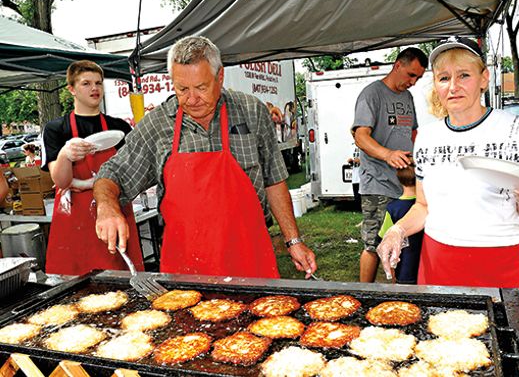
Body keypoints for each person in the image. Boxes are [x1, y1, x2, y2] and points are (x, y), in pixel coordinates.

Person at [93, 36, 317, 279]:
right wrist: (107, 206)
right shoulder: (157, 125)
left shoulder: (252, 112)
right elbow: (111, 174)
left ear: (219, 77)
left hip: (249, 257)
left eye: (201, 87)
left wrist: (293, 240)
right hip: (186, 266)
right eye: (182, 89)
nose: (192, 99)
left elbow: (274, 179)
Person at [377, 36, 519, 334]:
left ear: (484, 78)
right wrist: (396, 231)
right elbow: (424, 206)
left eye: (464, 75)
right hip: (439, 261)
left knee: (509, 352)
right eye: (444, 78)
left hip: (500, 261)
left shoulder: (517, 130)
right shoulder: (427, 137)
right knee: (443, 352)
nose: (453, 86)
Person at [42, 60, 144, 275]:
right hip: (75, 218)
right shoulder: (56, 129)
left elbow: (131, 171)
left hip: (113, 209)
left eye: (98, 83)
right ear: (71, 89)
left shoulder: (119, 128)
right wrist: (64, 155)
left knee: (121, 276)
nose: (95, 89)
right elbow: (60, 181)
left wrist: (93, 184)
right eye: (86, 83)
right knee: (77, 281)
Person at [353, 47, 428, 282]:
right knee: (374, 243)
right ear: (398, 66)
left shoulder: (407, 97)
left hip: (406, 186)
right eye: (411, 75)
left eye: (418, 78)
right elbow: (360, 136)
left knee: (403, 241)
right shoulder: (371, 94)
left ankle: (397, 292)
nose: (413, 82)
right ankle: (364, 294)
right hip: (378, 183)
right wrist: (388, 154)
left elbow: (412, 132)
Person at [377, 161, 423, 284]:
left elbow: (385, 241)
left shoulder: (392, 208)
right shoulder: (428, 206)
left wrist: (392, 276)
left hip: (404, 270)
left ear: (398, 179)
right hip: (426, 267)